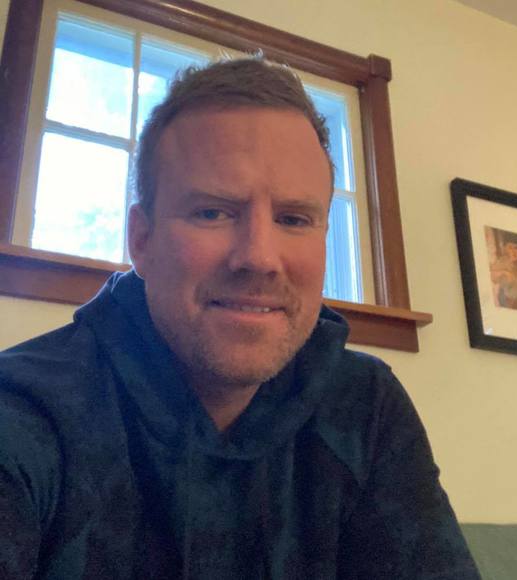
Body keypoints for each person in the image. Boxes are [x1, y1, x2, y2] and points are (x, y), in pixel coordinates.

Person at [0, 57, 480, 579]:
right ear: (141, 239)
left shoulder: (366, 405)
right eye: (212, 212)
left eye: (293, 218)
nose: (259, 258)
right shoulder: (25, 413)